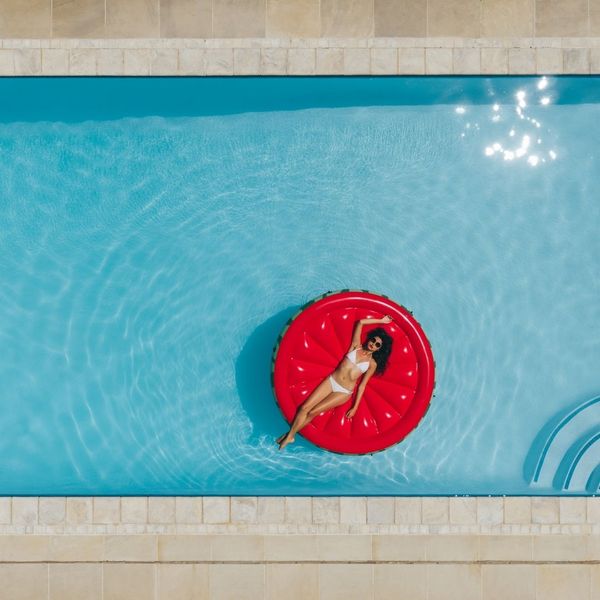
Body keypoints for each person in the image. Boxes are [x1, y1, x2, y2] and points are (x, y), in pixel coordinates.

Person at [277, 316, 394, 450]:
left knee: (313, 412)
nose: (373, 344)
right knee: (304, 408)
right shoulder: (356, 346)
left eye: (377, 344)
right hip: (331, 380)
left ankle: (289, 436)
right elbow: (360, 322)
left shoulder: (372, 364)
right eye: (373, 340)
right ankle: (290, 436)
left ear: (379, 349)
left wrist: (355, 407)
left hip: (344, 392)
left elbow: (362, 385)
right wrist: (381, 321)